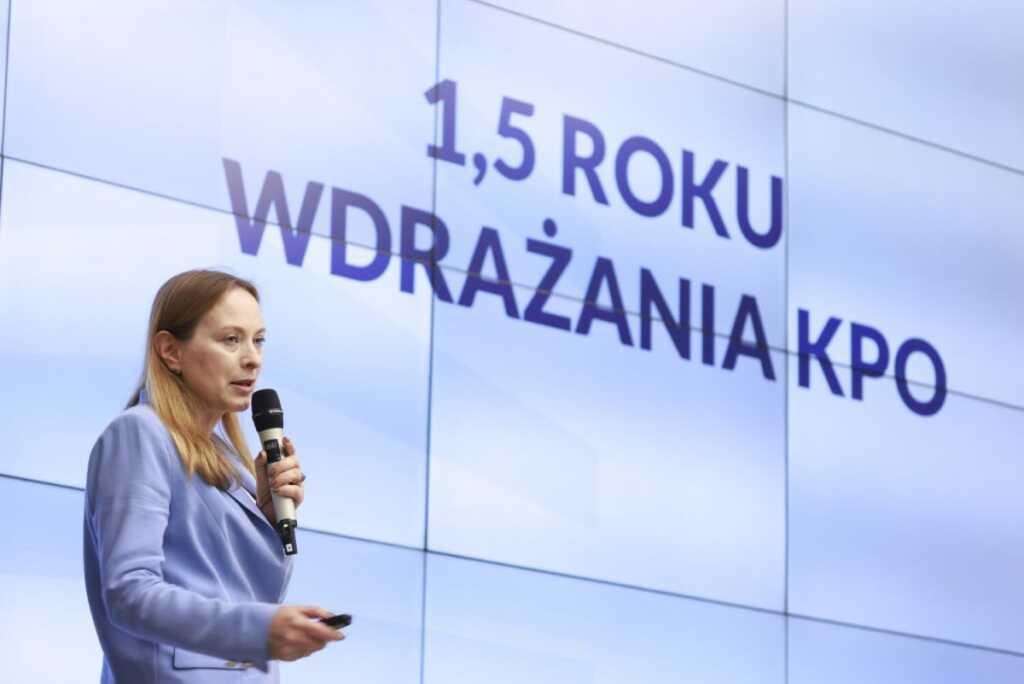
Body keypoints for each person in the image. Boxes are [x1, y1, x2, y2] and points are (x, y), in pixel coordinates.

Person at [83, 269, 343, 682]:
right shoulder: (140, 433)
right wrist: (259, 629)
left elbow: (251, 594)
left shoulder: (229, 461)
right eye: (231, 339)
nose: (253, 358)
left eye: (258, 340)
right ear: (171, 351)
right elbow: (129, 593)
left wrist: (269, 518)